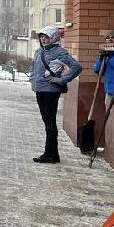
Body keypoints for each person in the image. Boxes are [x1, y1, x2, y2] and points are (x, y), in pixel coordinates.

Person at [30, 25, 82, 163]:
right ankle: (53, 154)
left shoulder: (59, 52)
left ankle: (50, 154)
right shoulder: (38, 52)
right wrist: (32, 80)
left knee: (50, 123)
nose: (43, 39)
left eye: (46, 37)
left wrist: (61, 80)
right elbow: (33, 67)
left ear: (53, 38)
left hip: (50, 91)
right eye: (41, 37)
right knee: (47, 122)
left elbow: (76, 67)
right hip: (39, 89)